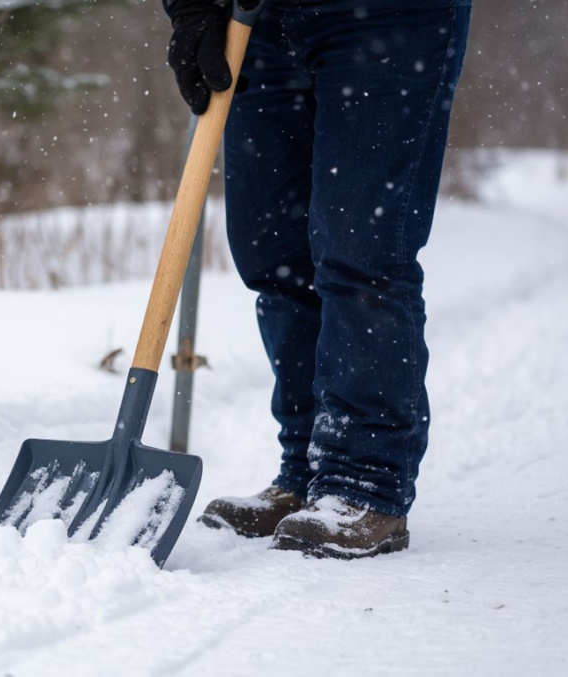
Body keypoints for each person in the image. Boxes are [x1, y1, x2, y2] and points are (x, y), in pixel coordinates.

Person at [163, 0, 472, 558]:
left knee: (363, 253)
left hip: (389, 18)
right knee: (271, 254)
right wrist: (189, 9)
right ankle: (306, 470)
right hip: (255, 20)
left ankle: (362, 482)